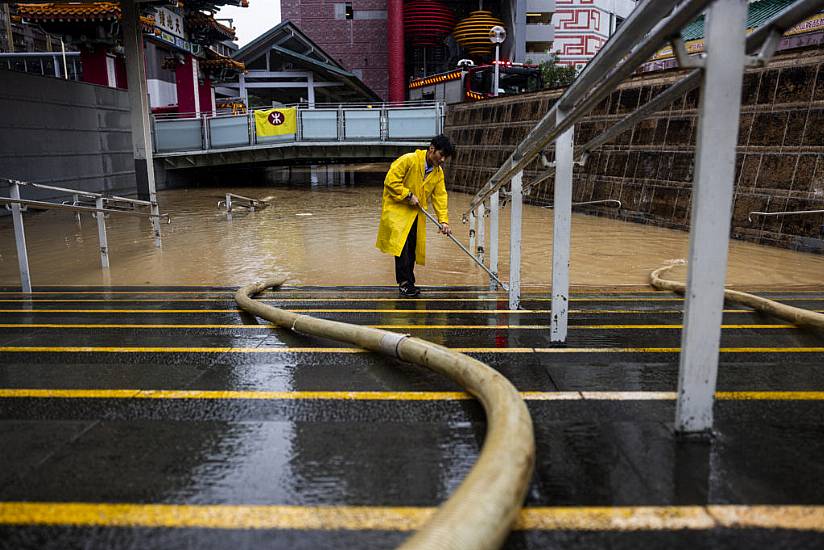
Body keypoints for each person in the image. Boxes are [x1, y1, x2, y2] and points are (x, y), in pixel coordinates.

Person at [375, 134, 455, 297]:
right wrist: (408, 195)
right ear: (432, 149)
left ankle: (409, 282)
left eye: (445, 157)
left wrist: (444, 221)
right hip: (397, 210)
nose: (443, 160)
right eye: (441, 155)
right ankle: (405, 284)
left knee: (411, 248)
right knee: (402, 248)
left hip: (416, 213)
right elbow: (391, 181)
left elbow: (440, 197)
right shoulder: (409, 160)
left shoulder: (438, 173)